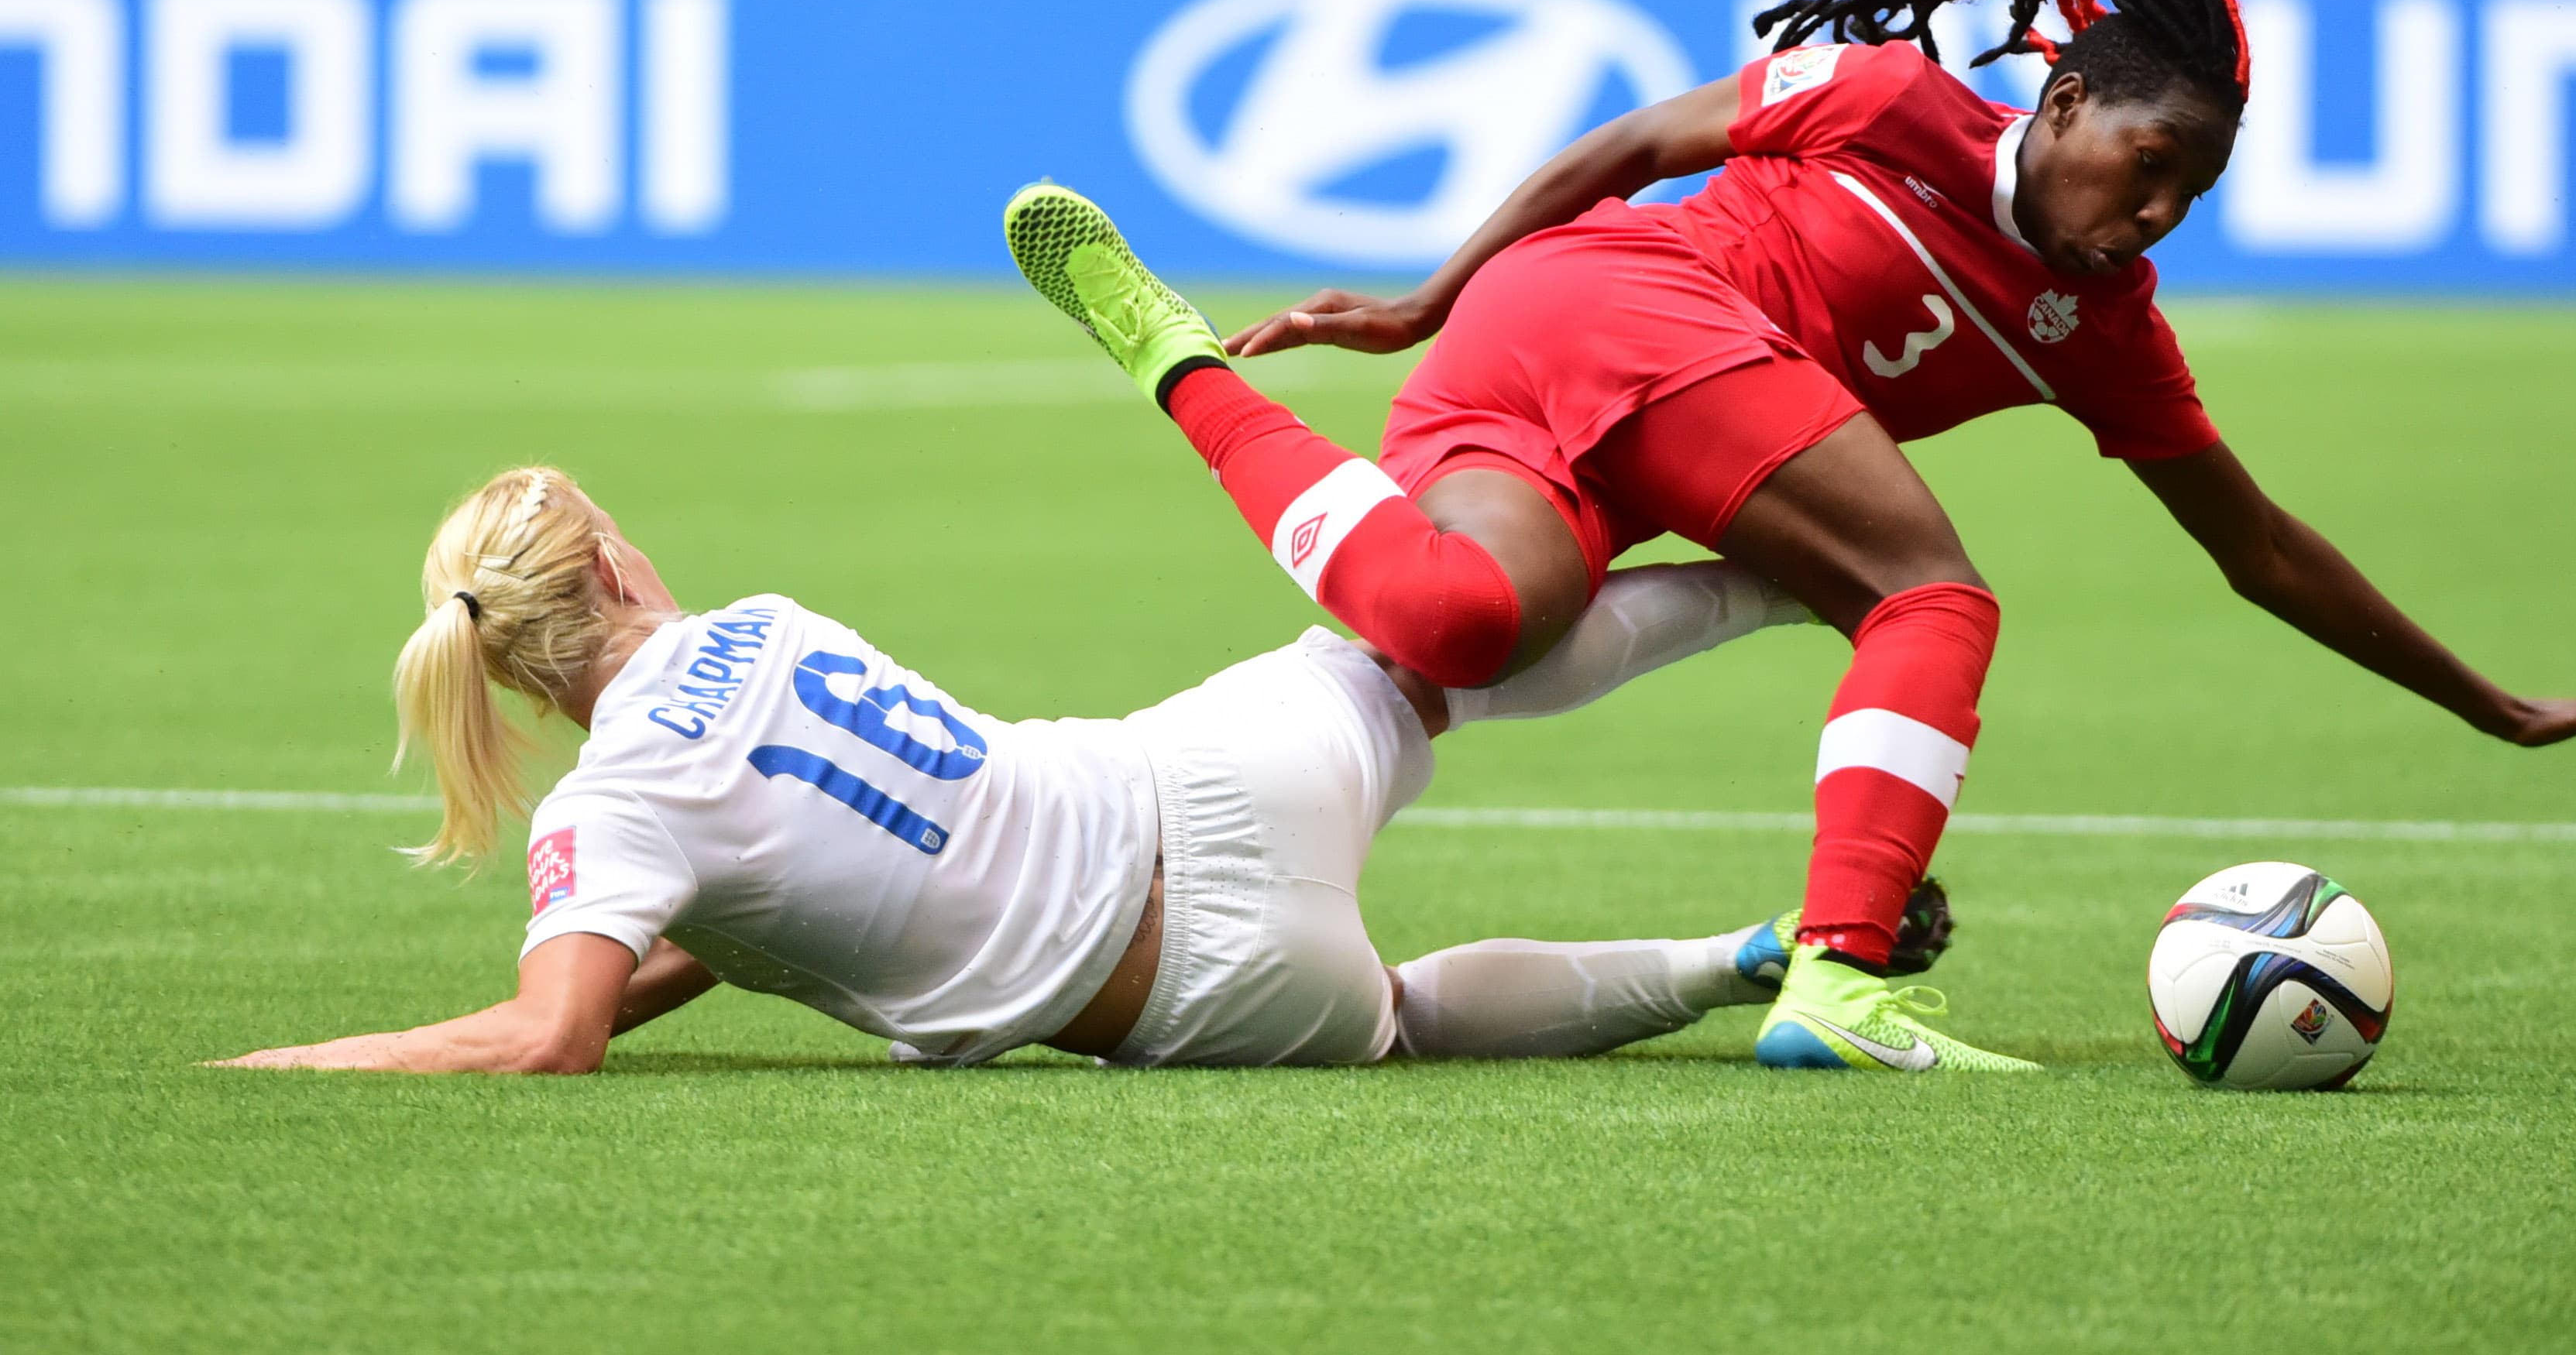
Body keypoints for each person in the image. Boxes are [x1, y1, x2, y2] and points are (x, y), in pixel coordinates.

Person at [1002, 0, 2576, 1077]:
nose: (2161, 207)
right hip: (1598, 308)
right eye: (2149, 158)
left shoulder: (2109, 331)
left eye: (2195, 189)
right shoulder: (1889, 101)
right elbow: (1640, 139)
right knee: (1933, 599)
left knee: (1458, 626)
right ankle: (1843, 972)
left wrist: (2495, 704)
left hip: (1605, 412)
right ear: (2058, 108)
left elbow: (2255, 547)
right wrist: (1422, 300)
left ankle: (1175, 361)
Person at [213, 465, 1929, 1074]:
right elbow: (759, 898)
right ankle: (1794, 578)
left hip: (1196, 981)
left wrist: (296, 1059)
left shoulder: (613, 814)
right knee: (1416, 670)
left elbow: (549, 1030)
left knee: (1398, 1017)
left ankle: (1738, 962)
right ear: (604, 570)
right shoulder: (764, 619)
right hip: (1210, 774)